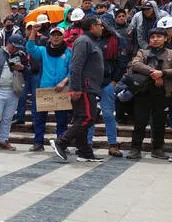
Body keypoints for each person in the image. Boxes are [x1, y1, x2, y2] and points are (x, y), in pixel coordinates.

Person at [50, 17, 105, 162]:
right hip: (84, 88)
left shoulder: (91, 42)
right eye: (100, 25)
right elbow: (75, 66)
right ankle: (61, 141)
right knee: (87, 118)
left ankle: (85, 152)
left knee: (82, 118)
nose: (102, 28)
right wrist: (76, 88)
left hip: (89, 88)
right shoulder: (83, 41)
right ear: (93, 26)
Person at [125, 28, 172, 160]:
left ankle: (158, 149)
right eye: (152, 37)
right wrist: (154, 73)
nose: (155, 39)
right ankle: (135, 148)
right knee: (140, 121)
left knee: (159, 122)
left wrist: (163, 73)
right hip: (143, 92)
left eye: (159, 36)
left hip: (163, 93)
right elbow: (135, 64)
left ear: (165, 39)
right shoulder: (143, 52)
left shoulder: (170, 53)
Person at [26, 27, 71, 152]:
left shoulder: (68, 52)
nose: (56, 37)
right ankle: (38, 143)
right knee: (39, 119)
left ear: (63, 37)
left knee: (62, 120)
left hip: (62, 90)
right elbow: (30, 48)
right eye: (53, 35)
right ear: (50, 37)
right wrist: (33, 32)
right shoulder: (43, 51)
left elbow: (72, 70)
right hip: (44, 88)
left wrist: (64, 81)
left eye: (59, 35)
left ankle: (61, 143)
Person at [85, 23, 126, 157]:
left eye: (100, 25)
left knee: (108, 115)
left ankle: (113, 144)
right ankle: (88, 144)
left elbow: (121, 62)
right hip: (91, 83)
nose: (99, 28)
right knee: (90, 115)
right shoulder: (88, 40)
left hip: (108, 82)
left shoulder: (115, 40)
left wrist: (114, 81)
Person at [0, 34, 30, 152]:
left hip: (14, 90)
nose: (15, 49)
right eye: (14, 46)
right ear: (8, 43)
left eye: (17, 47)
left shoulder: (21, 55)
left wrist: (22, 68)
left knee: (8, 117)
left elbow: (29, 70)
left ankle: (4, 140)